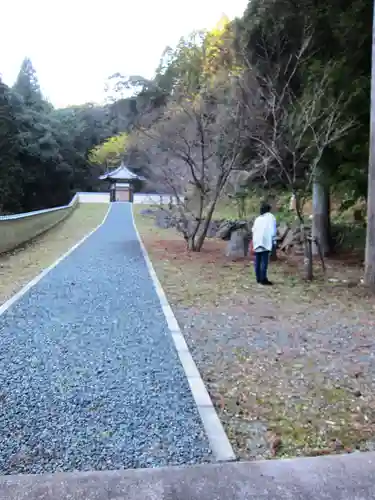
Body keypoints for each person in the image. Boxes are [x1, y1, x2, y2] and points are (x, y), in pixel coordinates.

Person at [251, 201, 277, 285]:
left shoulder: (258, 218)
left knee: (258, 260)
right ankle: (263, 279)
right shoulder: (271, 217)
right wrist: (274, 240)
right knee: (264, 261)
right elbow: (273, 230)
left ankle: (258, 278)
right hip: (266, 241)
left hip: (257, 241)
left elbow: (253, 230)